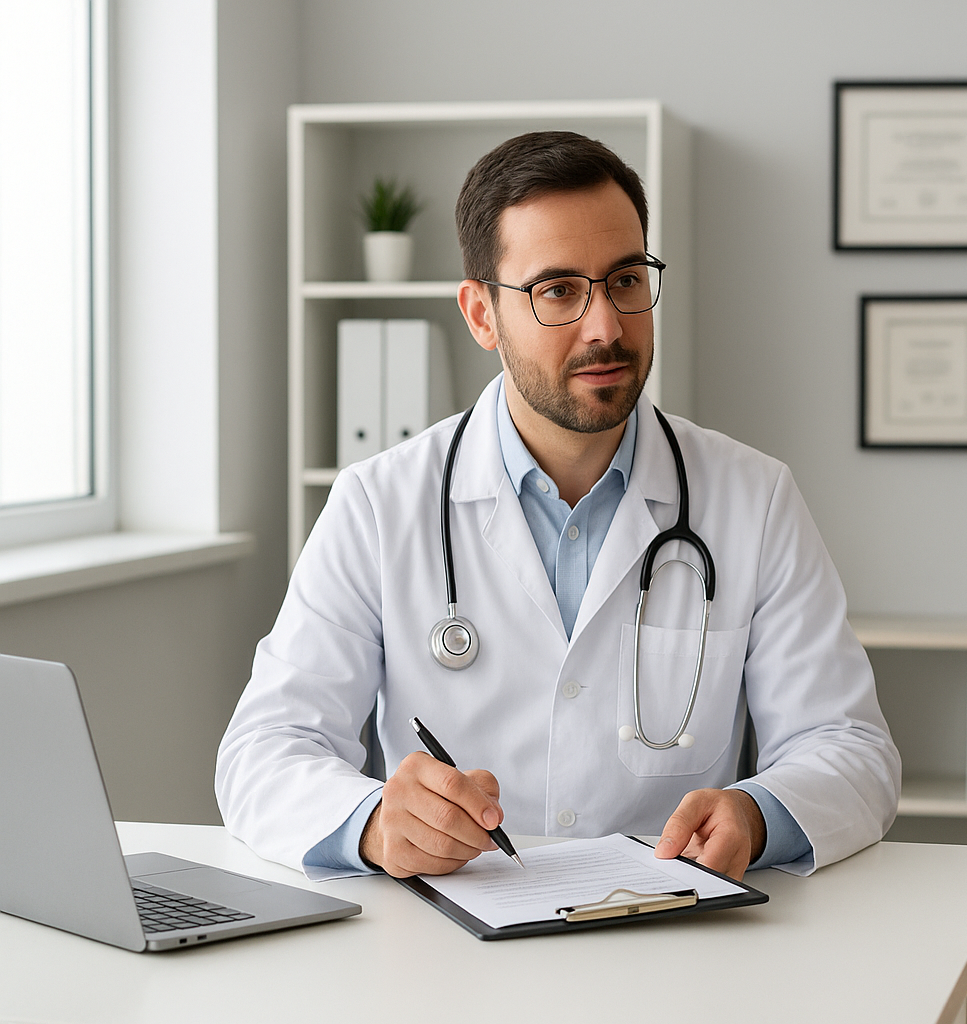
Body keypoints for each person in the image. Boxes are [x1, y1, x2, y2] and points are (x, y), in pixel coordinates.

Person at [216, 131, 900, 883]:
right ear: (481, 316)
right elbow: (264, 752)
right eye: (558, 291)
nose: (606, 325)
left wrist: (759, 812)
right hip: (449, 948)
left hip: (667, 938)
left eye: (626, 281)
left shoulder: (752, 498)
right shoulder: (379, 505)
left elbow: (850, 748)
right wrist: (374, 823)